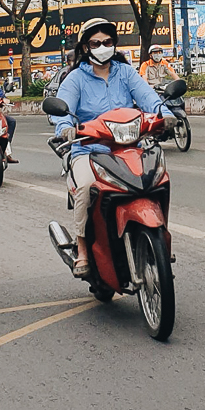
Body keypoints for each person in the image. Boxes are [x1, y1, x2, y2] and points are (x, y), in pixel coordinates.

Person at [49, 19, 168, 277]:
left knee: (157, 178)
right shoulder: (75, 79)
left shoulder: (125, 73)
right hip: (89, 150)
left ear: (114, 44)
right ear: (85, 47)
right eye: (96, 43)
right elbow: (63, 111)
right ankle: (82, 248)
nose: (102, 47)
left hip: (129, 148)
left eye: (107, 42)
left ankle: (161, 236)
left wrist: (165, 115)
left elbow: (149, 99)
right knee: (85, 187)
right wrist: (66, 127)